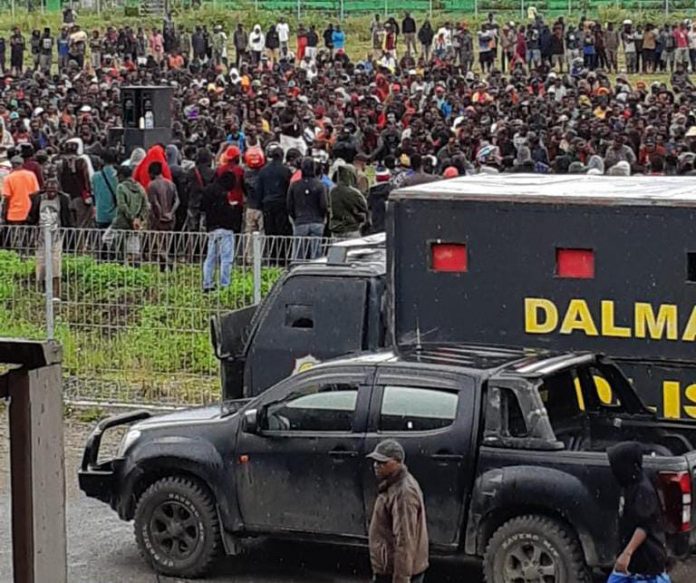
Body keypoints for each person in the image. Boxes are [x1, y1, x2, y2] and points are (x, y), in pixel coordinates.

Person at [367, 439, 429, 583]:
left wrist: (401, 579)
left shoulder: (403, 493)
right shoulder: (392, 485)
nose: (376, 465)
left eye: (382, 462)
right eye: (375, 461)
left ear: (397, 462)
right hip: (393, 569)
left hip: (396, 572)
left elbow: (405, 541)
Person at [607, 442, 670, 583]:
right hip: (633, 558)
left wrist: (626, 554)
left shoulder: (643, 490)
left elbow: (644, 526)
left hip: (646, 558)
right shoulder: (629, 483)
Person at [27, 176, 72, 298]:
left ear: (58, 189)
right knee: (41, 264)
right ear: (45, 189)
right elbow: (32, 216)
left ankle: (56, 293)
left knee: (55, 263)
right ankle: (41, 291)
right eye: (49, 189)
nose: (51, 192)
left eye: (54, 190)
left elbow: (67, 218)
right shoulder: (38, 199)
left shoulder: (63, 199)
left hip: (57, 236)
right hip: (40, 237)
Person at [201, 172, 240, 292]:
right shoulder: (223, 194)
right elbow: (225, 212)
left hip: (212, 228)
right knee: (226, 258)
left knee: (210, 258)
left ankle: (207, 284)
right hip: (225, 229)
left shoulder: (208, 190)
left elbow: (202, 208)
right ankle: (225, 284)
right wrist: (234, 208)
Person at [287, 158, 327, 260]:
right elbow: (323, 205)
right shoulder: (320, 185)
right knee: (316, 253)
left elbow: (289, 205)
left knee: (298, 253)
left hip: (300, 221)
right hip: (317, 222)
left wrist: (295, 217)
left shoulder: (294, 185)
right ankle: (315, 272)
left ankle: (297, 271)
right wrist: (322, 218)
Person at [112, 164, 148, 265]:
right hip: (135, 225)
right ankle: (135, 271)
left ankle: (121, 268)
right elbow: (146, 205)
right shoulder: (139, 187)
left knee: (111, 242)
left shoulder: (121, 187)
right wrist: (138, 218)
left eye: (118, 176)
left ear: (122, 176)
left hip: (122, 223)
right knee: (133, 249)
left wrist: (131, 218)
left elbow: (122, 205)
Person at [146, 161, 179, 271]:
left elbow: (155, 203)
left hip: (158, 221)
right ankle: (163, 268)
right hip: (171, 220)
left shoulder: (151, 185)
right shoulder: (171, 184)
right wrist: (171, 213)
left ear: (151, 173)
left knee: (159, 245)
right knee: (166, 244)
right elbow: (177, 201)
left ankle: (168, 263)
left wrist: (161, 215)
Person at [329, 162, 367, 238]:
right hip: (351, 229)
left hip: (335, 229)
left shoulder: (332, 191)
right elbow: (364, 206)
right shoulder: (353, 192)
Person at [2, 156, 40, 225]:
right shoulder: (31, 175)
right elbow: (35, 193)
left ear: (12, 164)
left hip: (13, 214)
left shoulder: (8, 178)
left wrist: (4, 215)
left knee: (14, 234)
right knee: (27, 235)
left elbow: (7, 198)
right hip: (28, 212)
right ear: (22, 164)